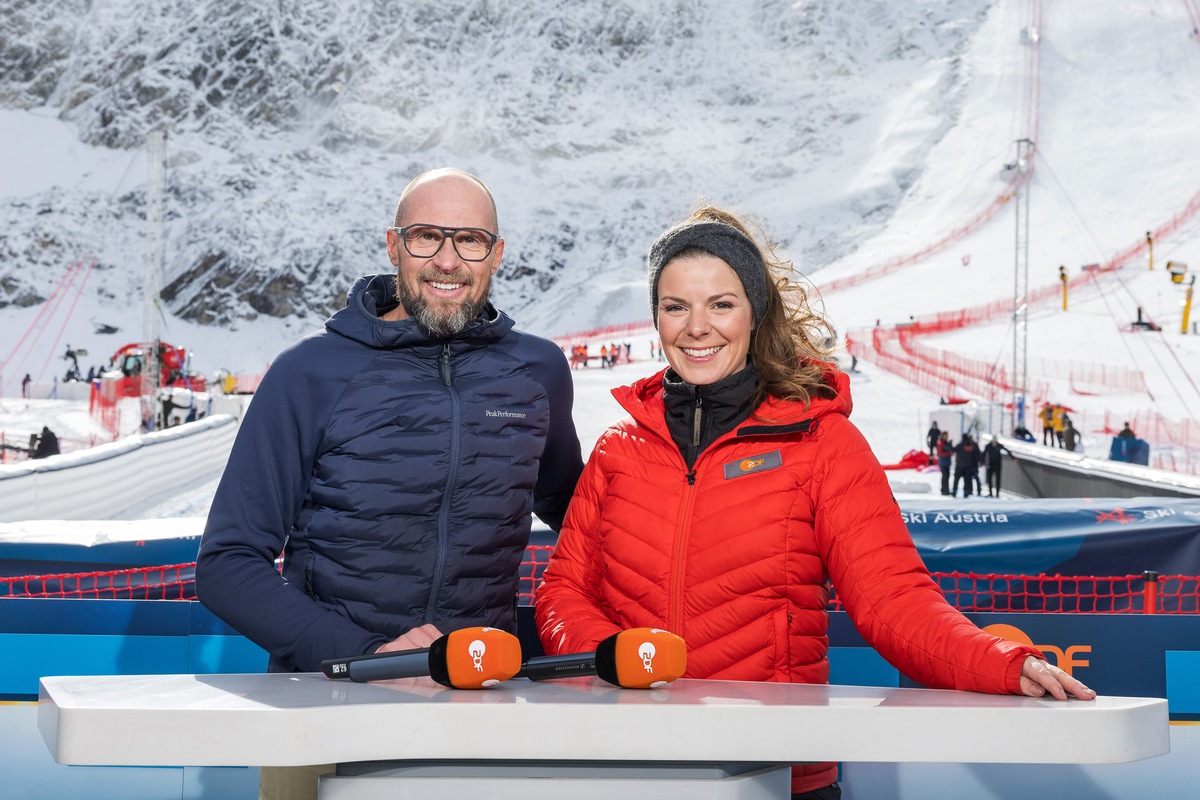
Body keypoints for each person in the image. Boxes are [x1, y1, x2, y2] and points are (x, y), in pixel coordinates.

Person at [534, 206, 1094, 800]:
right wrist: (612, 657)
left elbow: (893, 599)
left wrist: (1000, 663)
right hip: (635, 767)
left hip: (775, 772)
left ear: (755, 312)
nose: (697, 327)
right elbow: (563, 592)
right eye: (676, 307)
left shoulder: (821, 442)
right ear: (657, 318)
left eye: (721, 304)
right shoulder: (619, 448)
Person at [195, 168, 584, 800]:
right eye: (427, 236)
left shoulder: (536, 370)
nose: (448, 261)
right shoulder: (310, 372)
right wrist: (366, 654)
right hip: (324, 707)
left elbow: (578, 511)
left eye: (471, 240)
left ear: (498, 252)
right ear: (393, 245)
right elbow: (227, 563)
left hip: (477, 703)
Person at [952, 432, 981, 498]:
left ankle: (954, 492)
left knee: (956, 479)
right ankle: (966, 492)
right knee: (967, 480)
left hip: (959, 466)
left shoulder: (960, 445)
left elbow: (953, 450)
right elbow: (976, 454)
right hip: (968, 466)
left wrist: (949, 444)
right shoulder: (971, 446)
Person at [936, 430, 954, 495]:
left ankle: (946, 489)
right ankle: (944, 490)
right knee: (945, 476)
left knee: (947, 476)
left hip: (947, 462)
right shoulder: (940, 442)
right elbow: (940, 453)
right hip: (943, 462)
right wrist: (948, 453)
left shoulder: (946, 442)